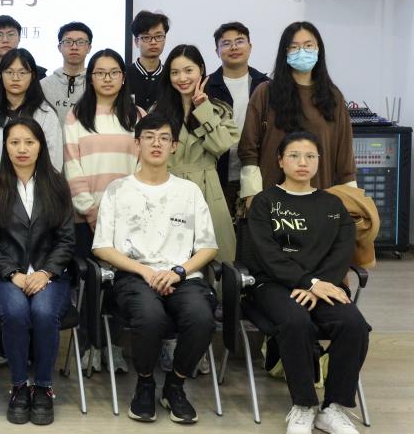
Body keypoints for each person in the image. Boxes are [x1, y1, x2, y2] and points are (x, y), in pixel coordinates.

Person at [92, 113, 218, 425]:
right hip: (134, 276)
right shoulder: (118, 189)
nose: (156, 143)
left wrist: (178, 271)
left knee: (202, 317)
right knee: (150, 316)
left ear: (174, 146)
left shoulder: (188, 191)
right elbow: (102, 247)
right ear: (137, 144)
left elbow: (208, 247)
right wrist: (145, 271)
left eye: (164, 138)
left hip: (182, 276)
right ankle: (145, 384)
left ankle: (175, 385)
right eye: (149, 137)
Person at [244, 131, 369, 434]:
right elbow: (267, 254)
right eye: (295, 156)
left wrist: (317, 285)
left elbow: (342, 252)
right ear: (280, 161)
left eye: (310, 156)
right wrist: (307, 282)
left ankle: (334, 407)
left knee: (353, 324)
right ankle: (304, 404)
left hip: (323, 285)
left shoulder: (332, 204)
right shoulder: (265, 202)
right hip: (272, 285)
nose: (303, 162)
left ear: (318, 162)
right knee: (295, 320)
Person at [0, 118, 76, 426]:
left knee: (44, 311)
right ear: (5, 146)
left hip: (49, 275)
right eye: (15, 142)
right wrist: (12, 273)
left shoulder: (57, 184)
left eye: (29, 142)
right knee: (17, 311)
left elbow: (66, 239)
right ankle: (19, 386)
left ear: (40, 146)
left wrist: (45, 272)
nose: (22, 149)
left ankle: (43, 388)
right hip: (6, 275)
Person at [63, 49, 143, 373]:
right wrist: (91, 211)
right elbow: (72, 166)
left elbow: (142, 167)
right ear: (90, 77)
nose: (107, 79)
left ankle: (116, 347)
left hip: (129, 220)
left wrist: (120, 213)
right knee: (89, 284)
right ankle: (89, 347)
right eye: (99, 73)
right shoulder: (76, 116)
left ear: (123, 77)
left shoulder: (136, 116)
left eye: (113, 72)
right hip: (86, 219)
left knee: (121, 286)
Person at [238, 21, 356, 208]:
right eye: (294, 47)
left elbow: (345, 159)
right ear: (285, 52)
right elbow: (248, 149)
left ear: (318, 49)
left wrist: (352, 202)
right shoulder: (265, 92)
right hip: (271, 202)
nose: (302, 52)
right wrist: (253, 196)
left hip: (319, 202)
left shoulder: (333, 97)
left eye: (308, 45)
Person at [151, 44, 240, 262]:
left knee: (214, 257)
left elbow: (221, 146)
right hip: (168, 187)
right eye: (175, 72)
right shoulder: (157, 110)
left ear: (201, 69)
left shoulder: (219, 109)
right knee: (168, 256)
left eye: (188, 70)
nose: (182, 78)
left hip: (207, 188)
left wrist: (203, 109)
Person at [206, 22, 269, 217]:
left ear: (250, 46)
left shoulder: (266, 86)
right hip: (217, 175)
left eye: (240, 41)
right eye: (226, 43)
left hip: (259, 174)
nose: (233, 47)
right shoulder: (206, 87)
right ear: (217, 51)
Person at [0, 48, 63, 175]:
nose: (15, 78)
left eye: (22, 72)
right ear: (0, 75)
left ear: (33, 76)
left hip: (37, 186)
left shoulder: (46, 114)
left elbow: (54, 161)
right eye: (9, 72)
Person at [41, 22, 93, 116]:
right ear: (59, 47)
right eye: (68, 42)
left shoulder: (96, 84)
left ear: (89, 48)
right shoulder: (43, 85)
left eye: (80, 42)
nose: (74, 47)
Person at [126, 10, 170, 111]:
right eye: (146, 37)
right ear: (136, 41)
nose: (153, 42)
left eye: (158, 36)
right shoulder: (123, 74)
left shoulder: (169, 76)